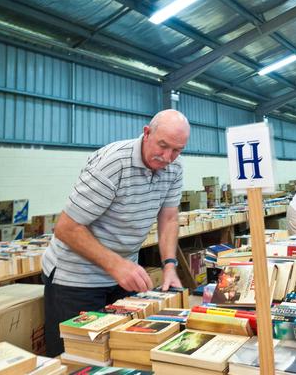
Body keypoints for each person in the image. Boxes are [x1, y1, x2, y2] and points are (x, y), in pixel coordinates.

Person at [41, 109, 190, 356]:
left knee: (124, 353)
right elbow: (66, 228)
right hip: (76, 278)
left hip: (122, 275)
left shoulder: (175, 168)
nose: (167, 157)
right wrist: (116, 265)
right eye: (162, 146)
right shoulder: (113, 163)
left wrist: (170, 266)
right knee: (79, 358)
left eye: (177, 150)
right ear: (146, 133)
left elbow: (169, 218)